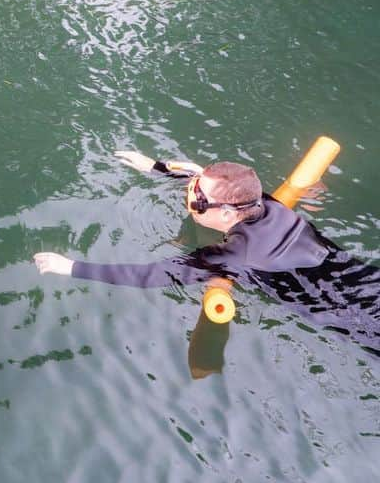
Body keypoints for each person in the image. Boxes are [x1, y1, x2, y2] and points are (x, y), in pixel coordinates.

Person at [34, 150, 380, 354]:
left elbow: (150, 275)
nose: (190, 198)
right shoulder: (271, 206)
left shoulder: (231, 255)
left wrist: (71, 267)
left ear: (228, 214)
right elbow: (199, 173)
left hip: (353, 317)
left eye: (198, 199)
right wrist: (153, 166)